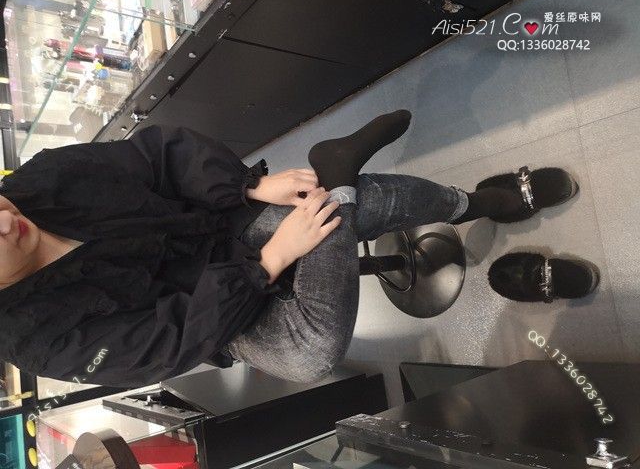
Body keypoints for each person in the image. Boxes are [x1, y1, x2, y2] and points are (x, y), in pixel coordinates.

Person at [0, 110, 580, 387]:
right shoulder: (37, 340)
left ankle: (471, 202)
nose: (5, 221)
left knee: (319, 208)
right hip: (216, 317)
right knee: (309, 357)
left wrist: (245, 187)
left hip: (218, 223)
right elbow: (166, 342)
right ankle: (342, 175)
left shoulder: (41, 181)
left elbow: (156, 158)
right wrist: (270, 261)